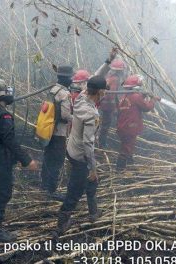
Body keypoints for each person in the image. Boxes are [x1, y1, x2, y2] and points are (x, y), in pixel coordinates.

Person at [0, 79, 38, 242]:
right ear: (3, 95)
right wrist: (26, 160)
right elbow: (9, 141)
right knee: (2, 193)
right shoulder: (4, 115)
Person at [56, 75, 108, 235]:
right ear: (99, 91)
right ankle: (62, 224)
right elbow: (88, 144)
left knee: (92, 182)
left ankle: (93, 213)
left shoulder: (81, 98)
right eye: (104, 89)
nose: (106, 92)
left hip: (71, 149)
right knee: (75, 190)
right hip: (81, 156)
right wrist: (92, 168)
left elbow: (94, 79)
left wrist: (108, 62)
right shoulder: (91, 114)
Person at [40, 66, 74, 201]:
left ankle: (44, 186)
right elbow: (66, 115)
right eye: (71, 77)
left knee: (48, 158)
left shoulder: (53, 90)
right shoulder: (64, 93)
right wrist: (78, 119)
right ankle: (51, 190)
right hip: (59, 133)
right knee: (57, 161)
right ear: (66, 78)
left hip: (48, 131)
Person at [116, 75, 160, 171]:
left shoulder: (124, 96)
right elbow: (146, 107)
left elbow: (135, 102)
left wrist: (144, 95)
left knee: (128, 145)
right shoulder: (136, 96)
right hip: (130, 128)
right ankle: (119, 171)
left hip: (122, 127)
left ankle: (131, 165)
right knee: (126, 148)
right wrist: (153, 100)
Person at [94, 48, 126, 148]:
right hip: (108, 107)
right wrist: (117, 107)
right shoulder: (115, 79)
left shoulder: (108, 75)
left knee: (101, 124)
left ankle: (99, 142)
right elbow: (112, 94)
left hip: (102, 105)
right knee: (105, 126)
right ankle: (101, 144)